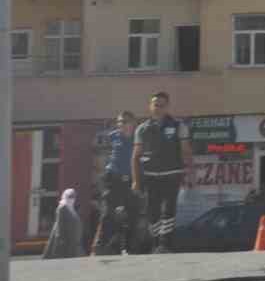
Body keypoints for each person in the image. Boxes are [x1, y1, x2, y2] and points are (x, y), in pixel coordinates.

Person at [132, 91, 192, 254]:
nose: (158, 108)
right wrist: (136, 180)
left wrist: (189, 173)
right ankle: (155, 242)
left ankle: (165, 244)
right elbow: (136, 156)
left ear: (167, 107)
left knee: (168, 209)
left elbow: (186, 151)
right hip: (151, 176)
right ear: (150, 106)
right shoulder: (142, 129)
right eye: (155, 105)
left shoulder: (178, 126)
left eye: (161, 105)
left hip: (173, 174)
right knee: (152, 211)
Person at [94, 111, 139, 255]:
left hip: (132, 180)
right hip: (113, 179)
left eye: (125, 121)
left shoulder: (139, 138)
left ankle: (129, 248)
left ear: (133, 123)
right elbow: (101, 155)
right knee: (108, 213)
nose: (122, 124)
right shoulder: (112, 136)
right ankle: (100, 247)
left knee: (132, 214)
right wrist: (103, 175)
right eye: (119, 122)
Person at [43, 188, 84, 259]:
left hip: (72, 239)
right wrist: (60, 238)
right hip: (64, 237)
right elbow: (60, 224)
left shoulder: (71, 208)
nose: (72, 199)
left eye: (73, 197)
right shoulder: (62, 208)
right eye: (70, 196)